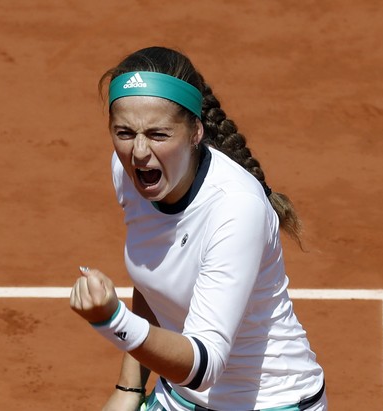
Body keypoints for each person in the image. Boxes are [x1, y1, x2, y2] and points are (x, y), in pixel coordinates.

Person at [70, 46, 327, 411]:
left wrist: (114, 321)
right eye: (124, 133)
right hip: (179, 397)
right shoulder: (131, 173)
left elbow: (205, 364)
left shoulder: (236, 208)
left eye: (158, 134)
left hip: (271, 403)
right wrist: (129, 389)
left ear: (195, 132)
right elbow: (154, 274)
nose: (139, 152)